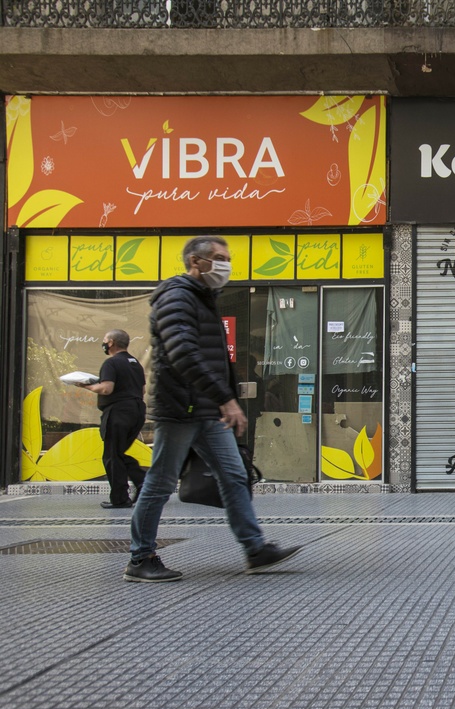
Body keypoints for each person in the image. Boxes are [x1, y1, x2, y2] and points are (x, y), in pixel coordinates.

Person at [125, 236, 301, 583]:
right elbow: (184, 354)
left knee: (235, 475)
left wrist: (219, 399)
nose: (226, 265)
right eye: (219, 258)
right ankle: (140, 557)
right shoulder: (177, 297)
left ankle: (255, 549)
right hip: (182, 408)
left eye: (226, 258)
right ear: (196, 262)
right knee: (160, 484)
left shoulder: (202, 299)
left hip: (205, 410)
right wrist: (226, 398)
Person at [76, 329, 147, 509]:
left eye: (105, 340)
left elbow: (107, 388)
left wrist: (88, 386)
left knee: (111, 457)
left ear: (111, 343)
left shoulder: (111, 363)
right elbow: (143, 391)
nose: (103, 343)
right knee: (117, 453)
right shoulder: (135, 363)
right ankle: (142, 482)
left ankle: (120, 499)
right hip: (137, 410)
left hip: (118, 412)